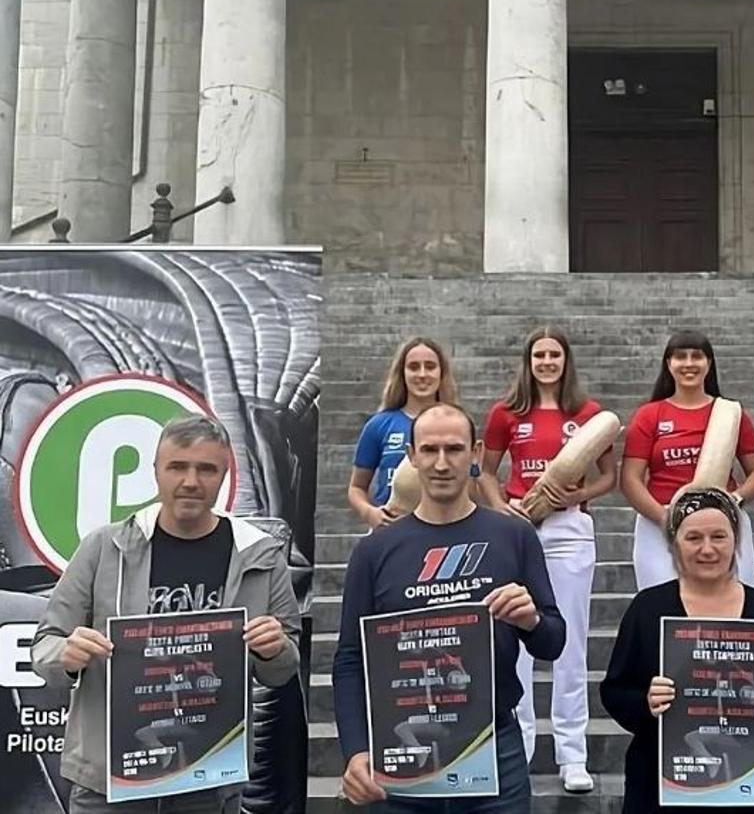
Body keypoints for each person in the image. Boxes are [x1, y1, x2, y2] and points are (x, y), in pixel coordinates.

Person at [31, 414, 301, 814]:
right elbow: (44, 648)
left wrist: (274, 649)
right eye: (177, 466)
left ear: (225, 474)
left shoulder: (260, 555)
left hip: (208, 781)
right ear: (156, 472)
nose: (191, 481)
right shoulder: (103, 548)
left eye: (206, 468)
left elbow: (282, 669)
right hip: (111, 782)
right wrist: (66, 656)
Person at [334, 403, 567, 813]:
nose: (442, 463)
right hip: (401, 749)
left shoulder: (514, 535)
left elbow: (553, 641)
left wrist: (530, 620)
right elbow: (351, 658)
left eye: (455, 449)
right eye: (429, 450)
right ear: (411, 456)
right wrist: (355, 750)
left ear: (476, 453)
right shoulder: (375, 550)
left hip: (494, 746)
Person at [600, 487, 754, 813]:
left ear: (735, 541)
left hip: (749, 783)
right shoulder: (649, 607)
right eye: (693, 538)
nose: (707, 549)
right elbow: (615, 691)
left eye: (719, 536)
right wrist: (646, 702)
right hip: (662, 783)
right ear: (674, 543)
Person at [479, 326, 617, 793]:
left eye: (554, 355)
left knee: (571, 641)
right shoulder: (504, 413)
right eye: (539, 355)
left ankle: (572, 754)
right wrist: (501, 509)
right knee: (512, 637)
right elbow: (486, 474)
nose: (546, 362)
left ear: (565, 360)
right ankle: (519, 745)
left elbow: (609, 477)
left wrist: (580, 493)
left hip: (569, 530)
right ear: (528, 360)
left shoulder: (589, 414)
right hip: (518, 526)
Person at [620, 330, 754, 590]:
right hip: (660, 522)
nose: (689, 364)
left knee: (731, 604)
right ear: (669, 364)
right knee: (662, 606)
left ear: (708, 364)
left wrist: (735, 500)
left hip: (722, 519)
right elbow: (631, 479)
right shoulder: (649, 415)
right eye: (680, 357)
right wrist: (667, 519)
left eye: (697, 357)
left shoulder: (730, 413)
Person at [348, 337, 459, 530]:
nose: (422, 374)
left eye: (430, 366)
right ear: (402, 374)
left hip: (444, 528)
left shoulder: (457, 425)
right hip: (392, 529)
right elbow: (356, 487)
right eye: (414, 367)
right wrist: (370, 512)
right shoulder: (379, 425)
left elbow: (472, 486)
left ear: (442, 373)